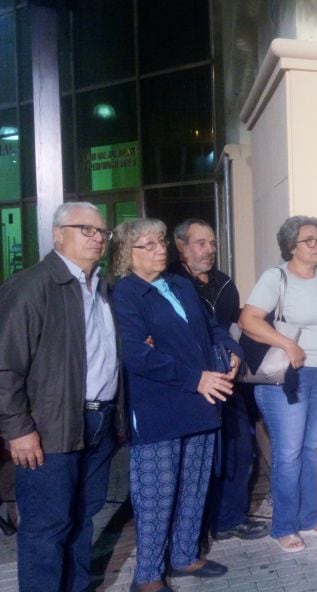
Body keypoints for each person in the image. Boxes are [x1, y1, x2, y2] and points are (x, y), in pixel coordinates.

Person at [111, 218, 242, 591]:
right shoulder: (126, 294)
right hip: (159, 410)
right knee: (156, 495)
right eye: (148, 244)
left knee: (194, 486)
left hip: (203, 403)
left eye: (161, 241)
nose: (159, 249)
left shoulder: (180, 285)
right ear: (126, 253)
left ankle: (185, 556)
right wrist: (196, 378)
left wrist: (231, 352)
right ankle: (148, 575)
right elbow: (136, 353)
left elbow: (213, 328)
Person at [0, 202, 122, 591]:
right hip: (49, 428)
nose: (97, 238)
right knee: (46, 529)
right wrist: (18, 429)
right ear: (57, 234)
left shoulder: (102, 285)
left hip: (98, 422)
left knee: (82, 519)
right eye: (85, 229)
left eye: (102, 231)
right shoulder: (32, 286)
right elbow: (5, 365)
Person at [239, 216, 317, 552]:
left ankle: (311, 516)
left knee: (311, 449)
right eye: (310, 240)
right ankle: (284, 526)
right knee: (288, 453)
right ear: (291, 247)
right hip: (286, 378)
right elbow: (248, 320)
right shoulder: (276, 278)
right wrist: (288, 344)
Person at [169, 218, 269, 541]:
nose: (209, 250)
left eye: (212, 243)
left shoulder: (225, 284)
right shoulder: (169, 284)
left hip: (228, 382)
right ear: (181, 246)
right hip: (190, 385)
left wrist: (235, 351)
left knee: (240, 447)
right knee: (195, 459)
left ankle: (229, 519)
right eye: (201, 243)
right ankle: (194, 527)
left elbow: (228, 329)